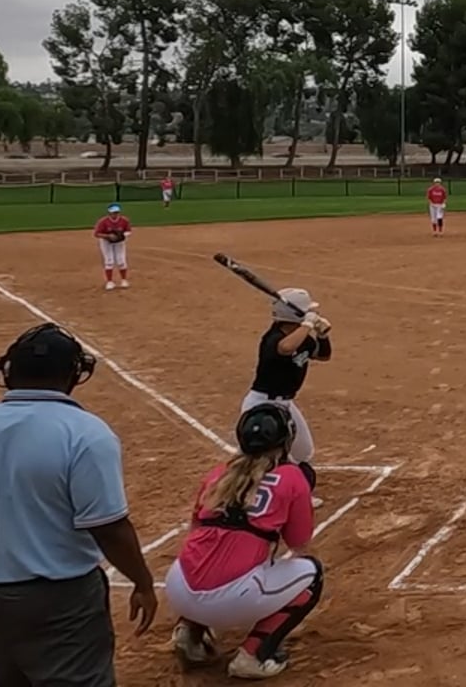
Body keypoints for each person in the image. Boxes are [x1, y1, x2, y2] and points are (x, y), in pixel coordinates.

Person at [0, 323, 157, 686]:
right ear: (73, 375)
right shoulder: (86, 433)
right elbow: (108, 526)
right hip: (64, 603)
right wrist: (142, 581)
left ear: (8, 373)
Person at [165, 404, 324, 679]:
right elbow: (299, 543)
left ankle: (189, 633)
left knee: (206, 556)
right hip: (230, 598)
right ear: (286, 439)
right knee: (313, 574)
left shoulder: (219, 474)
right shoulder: (291, 476)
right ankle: (253, 655)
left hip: (177, 587)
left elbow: (195, 529)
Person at [242, 288, 332, 510]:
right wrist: (307, 324)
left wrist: (322, 335)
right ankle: (247, 496)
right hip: (262, 405)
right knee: (262, 457)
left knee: (303, 452)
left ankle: (297, 494)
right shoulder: (273, 339)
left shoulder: (303, 338)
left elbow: (323, 355)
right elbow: (285, 348)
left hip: (285, 404)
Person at [94, 204, 131, 290]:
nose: (115, 214)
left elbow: (128, 231)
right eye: (113, 213)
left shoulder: (124, 221)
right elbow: (97, 234)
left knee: (121, 261)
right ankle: (109, 282)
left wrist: (122, 235)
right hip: (106, 242)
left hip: (119, 242)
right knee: (109, 261)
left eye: (116, 212)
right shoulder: (103, 222)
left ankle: (124, 280)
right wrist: (108, 236)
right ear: (109, 213)